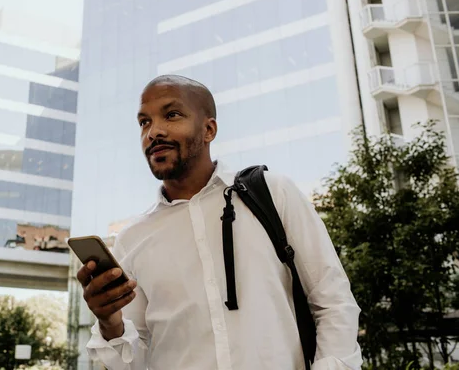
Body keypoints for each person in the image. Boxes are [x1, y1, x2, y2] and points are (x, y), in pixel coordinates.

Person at [77, 75, 362, 369]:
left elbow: (333, 301)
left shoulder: (273, 194)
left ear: (208, 129)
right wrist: (109, 323)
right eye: (144, 122)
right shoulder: (132, 238)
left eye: (171, 115)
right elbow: (133, 359)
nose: (153, 132)